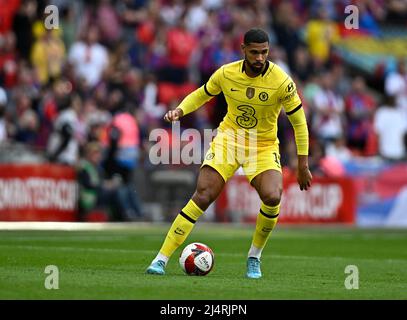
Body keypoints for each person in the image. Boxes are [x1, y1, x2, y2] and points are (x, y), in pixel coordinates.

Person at [146, 28, 312, 279]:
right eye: (254, 52)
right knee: (203, 194)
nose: (259, 58)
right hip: (229, 140)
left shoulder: (282, 81)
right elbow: (203, 93)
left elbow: (299, 123)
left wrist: (302, 165)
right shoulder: (226, 73)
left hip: (263, 145)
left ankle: (254, 257)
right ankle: (160, 259)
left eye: (264, 52)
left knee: (272, 195)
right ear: (243, 49)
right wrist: (180, 110)